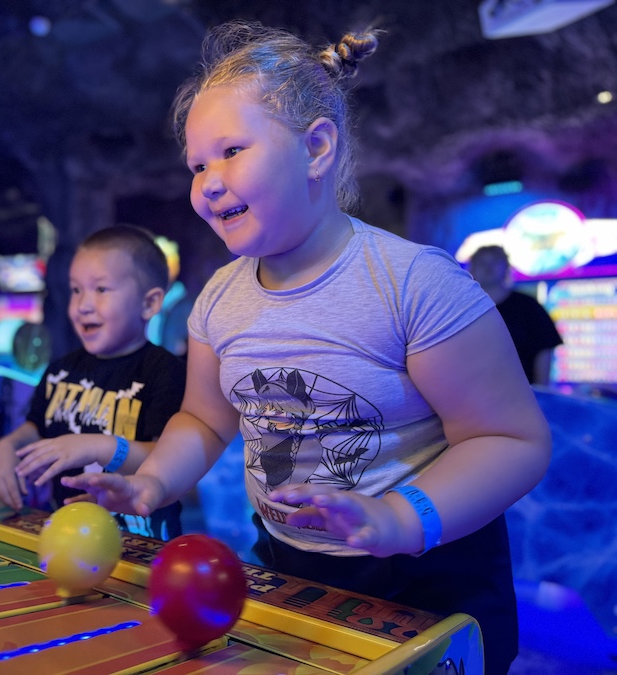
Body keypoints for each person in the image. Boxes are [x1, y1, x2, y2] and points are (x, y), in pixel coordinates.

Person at [62, 21, 551, 674]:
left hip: (429, 572)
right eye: (198, 165)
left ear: (316, 147)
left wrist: (400, 517)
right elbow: (204, 420)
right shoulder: (219, 301)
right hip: (293, 565)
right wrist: (152, 482)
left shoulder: (413, 284)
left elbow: (512, 440)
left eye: (231, 151)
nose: (208, 182)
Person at [0, 225, 185, 541]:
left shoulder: (164, 371)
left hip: (140, 541)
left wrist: (96, 446)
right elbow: (37, 427)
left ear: (149, 304)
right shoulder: (60, 370)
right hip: (66, 536)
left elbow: (170, 460)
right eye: (76, 290)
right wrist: (7, 446)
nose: (83, 305)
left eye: (101, 289)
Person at [469, 245, 563, 385]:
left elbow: (544, 349)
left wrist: (541, 390)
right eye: (482, 263)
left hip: (522, 393)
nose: (488, 268)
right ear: (471, 269)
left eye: (495, 262)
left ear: (506, 267)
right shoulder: (462, 308)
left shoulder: (529, 307)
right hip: (470, 392)